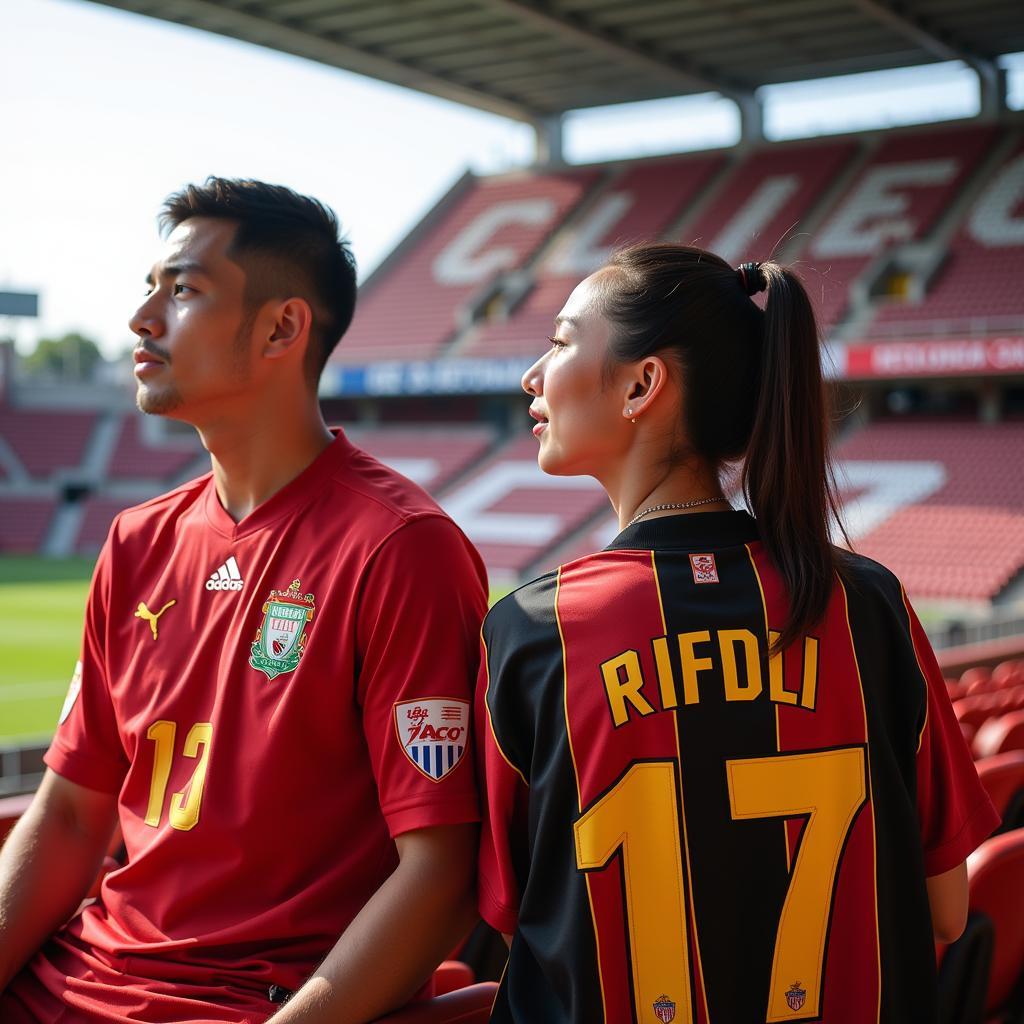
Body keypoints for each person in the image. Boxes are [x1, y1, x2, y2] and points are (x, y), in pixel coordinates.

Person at [0, 178, 488, 1024]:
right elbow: (72, 818)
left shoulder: (401, 547)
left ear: (281, 327)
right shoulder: (136, 540)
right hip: (75, 982)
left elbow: (440, 872)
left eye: (183, 289)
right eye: (149, 288)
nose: (142, 319)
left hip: (246, 1006)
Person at [476, 243, 1000, 1023]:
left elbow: (510, 917)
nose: (532, 376)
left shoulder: (533, 629)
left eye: (558, 342)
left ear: (642, 383)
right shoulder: (870, 605)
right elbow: (949, 913)